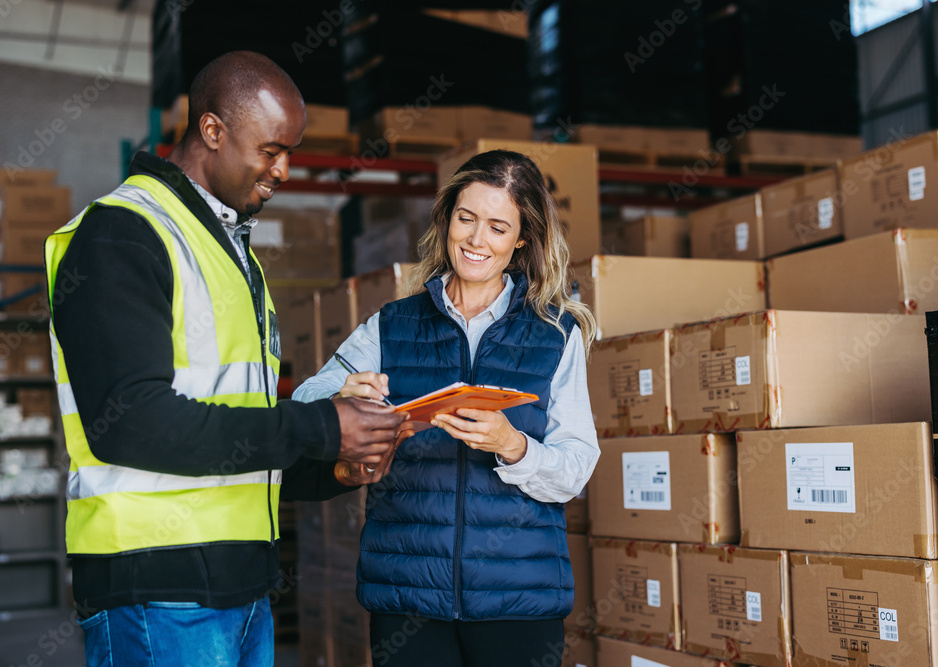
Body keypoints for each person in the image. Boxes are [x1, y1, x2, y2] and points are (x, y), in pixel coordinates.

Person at [45, 51, 407, 667]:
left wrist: (335, 464)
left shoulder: (233, 254)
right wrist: (322, 425)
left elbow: (236, 437)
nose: (284, 170)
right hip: (157, 592)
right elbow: (132, 423)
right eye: (271, 150)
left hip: (239, 588)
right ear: (212, 131)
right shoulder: (122, 234)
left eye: (290, 151)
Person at [293, 149, 600, 667]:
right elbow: (305, 401)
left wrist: (514, 446)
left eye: (498, 227)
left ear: (522, 237)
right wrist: (346, 398)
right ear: (446, 220)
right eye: (466, 219)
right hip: (408, 597)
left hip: (518, 600)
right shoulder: (391, 326)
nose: (477, 240)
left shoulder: (554, 335)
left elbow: (575, 469)